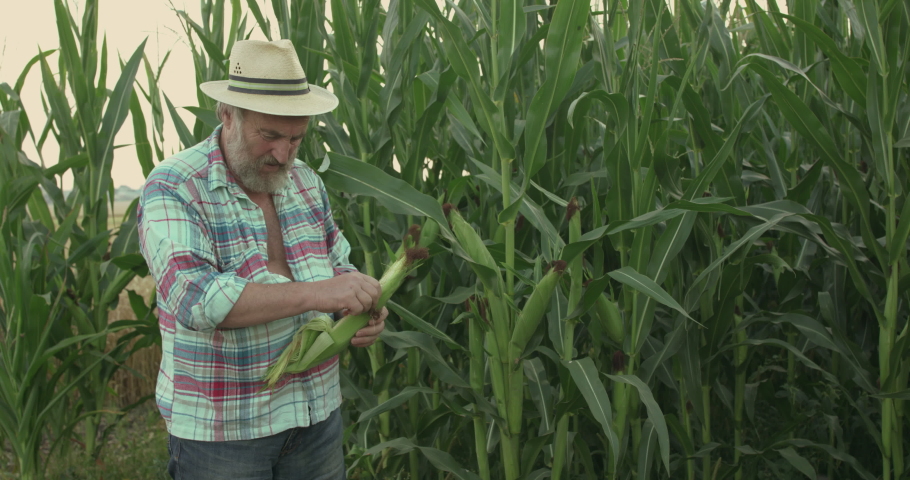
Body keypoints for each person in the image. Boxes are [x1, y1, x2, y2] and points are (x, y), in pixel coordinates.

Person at [138, 39, 386, 480]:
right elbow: (196, 300)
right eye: (269, 136)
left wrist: (360, 301)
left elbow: (336, 262)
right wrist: (322, 292)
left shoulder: (306, 182)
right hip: (224, 434)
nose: (283, 154)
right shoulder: (176, 186)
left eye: (295, 139)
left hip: (316, 418)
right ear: (228, 115)